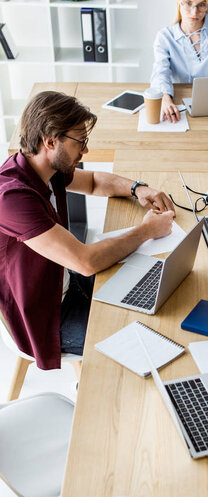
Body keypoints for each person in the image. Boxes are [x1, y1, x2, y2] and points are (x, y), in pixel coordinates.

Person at [0, 91, 175, 370]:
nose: (85, 151)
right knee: (147, 342)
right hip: (49, 319)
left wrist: (139, 188)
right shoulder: (12, 199)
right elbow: (86, 262)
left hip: (66, 282)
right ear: (49, 141)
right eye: (80, 142)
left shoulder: (46, 168)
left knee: (157, 290)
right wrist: (146, 231)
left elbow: (93, 182)